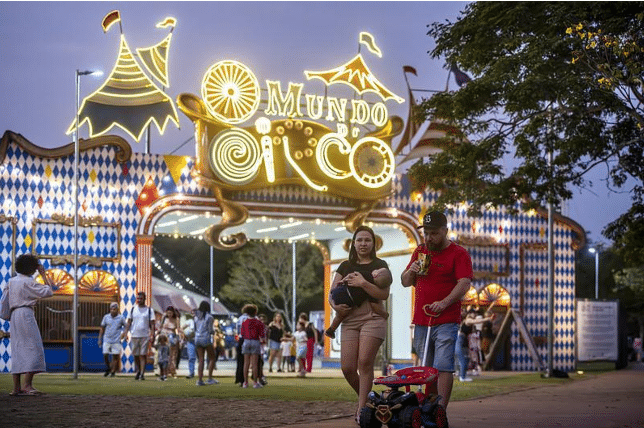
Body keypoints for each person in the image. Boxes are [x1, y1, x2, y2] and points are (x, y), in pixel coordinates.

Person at [401, 211, 473, 426]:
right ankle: (427, 407)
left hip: (447, 318)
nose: (429, 238)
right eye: (426, 233)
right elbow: (405, 281)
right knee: (425, 366)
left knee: (443, 365)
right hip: (422, 319)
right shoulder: (420, 251)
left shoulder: (458, 253)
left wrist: (444, 302)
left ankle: (440, 409)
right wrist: (411, 271)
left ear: (445, 231)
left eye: (434, 233)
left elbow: (464, 283)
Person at [328, 225, 392, 423]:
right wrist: (335, 307)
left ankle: (362, 409)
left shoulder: (380, 265)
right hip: (349, 318)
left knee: (364, 362)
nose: (363, 243)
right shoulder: (345, 266)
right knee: (347, 367)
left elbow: (383, 294)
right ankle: (370, 399)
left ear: (373, 244)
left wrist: (363, 283)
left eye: (367, 240)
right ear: (353, 243)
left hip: (372, 316)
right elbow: (332, 293)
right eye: (360, 240)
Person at [2, 254, 53, 396]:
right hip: (26, 314)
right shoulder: (28, 282)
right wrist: (43, 274)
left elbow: (3, 304)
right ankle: (27, 385)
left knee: (17, 348)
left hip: (14, 315)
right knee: (33, 347)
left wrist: (8, 316)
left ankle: (16, 387)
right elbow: (48, 292)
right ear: (32, 268)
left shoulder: (11, 282)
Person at [324, 268, 389, 339]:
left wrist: (342, 281)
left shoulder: (365, 274)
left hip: (341, 290)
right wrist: (384, 314)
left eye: (377, 269)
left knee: (341, 314)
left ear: (376, 274)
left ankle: (331, 329)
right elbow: (374, 306)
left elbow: (351, 275)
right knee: (341, 315)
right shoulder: (371, 290)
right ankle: (331, 330)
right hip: (349, 299)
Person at [121, 291, 155, 380]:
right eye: (138, 298)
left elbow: (152, 324)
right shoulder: (133, 309)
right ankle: (139, 370)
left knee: (143, 355)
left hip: (145, 335)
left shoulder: (149, 310)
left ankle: (142, 374)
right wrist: (125, 332)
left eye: (141, 298)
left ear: (145, 299)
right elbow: (128, 322)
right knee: (136, 355)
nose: (139, 300)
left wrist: (152, 334)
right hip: (134, 335)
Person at [194, 300, 219, 386]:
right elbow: (210, 330)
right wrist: (214, 332)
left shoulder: (196, 317)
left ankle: (200, 380)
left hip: (197, 339)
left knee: (201, 359)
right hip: (206, 338)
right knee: (212, 357)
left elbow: (195, 329)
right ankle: (209, 378)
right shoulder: (209, 317)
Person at [240, 304, 266, 388]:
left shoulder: (244, 322)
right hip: (255, 341)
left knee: (246, 363)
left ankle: (245, 382)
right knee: (254, 364)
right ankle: (255, 383)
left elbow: (242, 334)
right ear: (255, 312)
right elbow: (262, 335)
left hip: (246, 341)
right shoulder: (259, 323)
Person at [98, 302, 125, 377]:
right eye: (112, 309)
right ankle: (109, 367)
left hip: (116, 339)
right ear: (110, 310)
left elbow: (126, 326)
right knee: (105, 354)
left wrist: (124, 334)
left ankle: (113, 371)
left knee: (115, 356)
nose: (113, 311)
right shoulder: (106, 317)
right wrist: (100, 338)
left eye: (115, 309)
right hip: (107, 339)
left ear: (117, 310)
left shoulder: (121, 318)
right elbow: (102, 328)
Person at [159, 305, 181, 378]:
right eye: (168, 313)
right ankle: (164, 371)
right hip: (164, 336)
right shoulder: (164, 317)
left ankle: (172, 370)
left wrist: (179, 337)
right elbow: (160, 326)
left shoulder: (176, 319)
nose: (169, 315)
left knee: (172, 355)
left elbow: (178, 329)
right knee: (164, 355)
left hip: (172, 336)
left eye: (171, 313)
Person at [181, 309, 197, 379]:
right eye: (192, 313)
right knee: (191, 357)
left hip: (199, 341)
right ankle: (191, 373)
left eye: (195, 313)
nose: (194, 315)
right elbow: (181, 328)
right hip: (191, 341)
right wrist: (184, 335)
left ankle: (200, 373)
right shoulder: (190, 321)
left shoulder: (201, 322)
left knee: (201, 358)